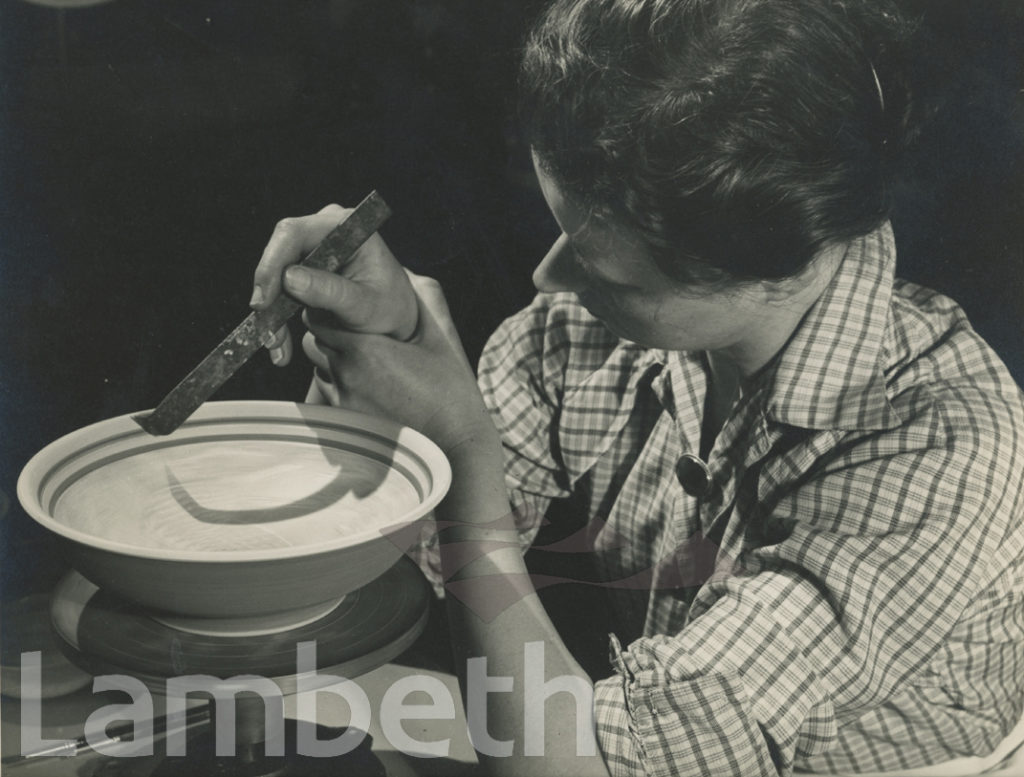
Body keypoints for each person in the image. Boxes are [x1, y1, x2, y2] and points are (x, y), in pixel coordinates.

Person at [250, 0, 1024, 774]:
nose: (546, 275)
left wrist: (460, 453)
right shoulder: (585, 337)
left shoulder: (945, 449)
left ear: (759, 268)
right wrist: (381, 352)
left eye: (602, 265)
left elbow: (570, 767)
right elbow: (378, 571)